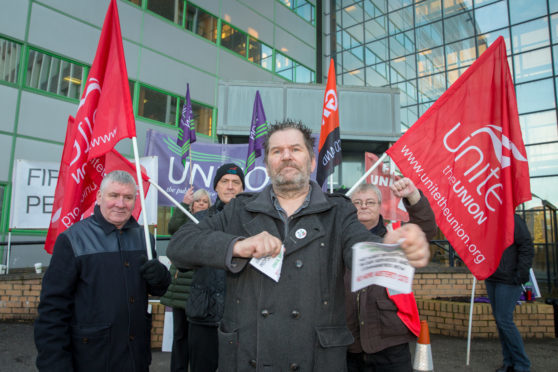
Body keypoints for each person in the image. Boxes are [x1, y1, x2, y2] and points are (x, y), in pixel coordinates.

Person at [167, 121, 430, 371]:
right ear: (267, 163)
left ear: (311, 160)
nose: (286, 156)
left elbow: (361, 247)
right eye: (277, 151)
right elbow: (180, 245)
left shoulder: (338, 212)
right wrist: (238, 246)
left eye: (295, 149)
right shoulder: (239, 210)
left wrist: (391, 247)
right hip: (248, 356)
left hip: (315, 358)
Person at [34, 170, 171, 372]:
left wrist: (160, 277)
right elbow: (52, 310)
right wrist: (54, 364)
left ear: (135, 200)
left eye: (128, 197)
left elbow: (157, 288)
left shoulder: (144, 239)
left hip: (136, 358)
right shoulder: (73, 240)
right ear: (99, 197)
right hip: (91, 359)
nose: (120, 203)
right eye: (113, 195)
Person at [345, 180, 437, 371]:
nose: (363, 206)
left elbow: (425, 230)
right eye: (357, 202)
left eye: (370, 202)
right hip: (347, 343)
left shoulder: (394, 232)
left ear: (379, 206)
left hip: (389, 340)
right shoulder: (338, 237)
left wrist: (413, 197)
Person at [184, 163, 245, 372]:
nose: (230, 187)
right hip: (204, 315)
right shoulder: (199, 219)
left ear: (242, 189)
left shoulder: (252, 222)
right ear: (216, 187)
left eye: (236, 183)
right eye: (224, 181)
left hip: (240, 319)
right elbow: (181, 257)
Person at [161, 187, 212, 372]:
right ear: (192, 204)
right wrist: (183, 203)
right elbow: (172, 228)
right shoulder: (184, 220)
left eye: (204, 201)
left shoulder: (212, 222)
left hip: (198, 290)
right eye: (197, 201)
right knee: (180, 335)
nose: (200, 204)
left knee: (197, 338)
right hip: (179, 289)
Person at [486, 214, 534, 372]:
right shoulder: (488, 219)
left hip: (509, 279)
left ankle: (522, 364)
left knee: (504, 320)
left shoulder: (513, 219)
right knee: (501, 323)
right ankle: (509, 363)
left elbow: (526, 246)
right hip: (492, 277)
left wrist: (521, 274)